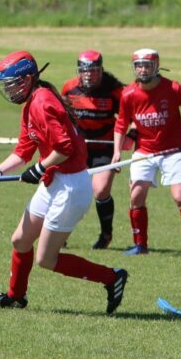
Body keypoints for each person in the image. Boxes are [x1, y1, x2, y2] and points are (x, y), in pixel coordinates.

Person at [0, 51, 127, 314]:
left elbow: (65, 148)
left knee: (47, 259)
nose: (9, 90)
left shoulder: (43, 102)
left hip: (70, 187)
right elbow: (22, 151)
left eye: (12, 84)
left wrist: (39, 167)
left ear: (28, 79)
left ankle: (112, 277)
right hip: (52, 182)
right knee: (21, 240)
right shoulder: (30, 105)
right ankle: (16, 296)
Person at [112, 48, 181, 260]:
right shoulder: (129, 94)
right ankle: (140, 245)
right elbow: (121, 125)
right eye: (138, 65)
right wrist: (116, 153)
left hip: (174, 151)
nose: (142, 69)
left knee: (180, 196)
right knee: (136, 196)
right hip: (145, 151)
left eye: (147, 65)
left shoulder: (173, 88)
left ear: (156, 66)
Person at [61, 50, 125, 250]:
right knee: (69, 191)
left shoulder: (114, 91)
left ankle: (106, 234)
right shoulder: (69, 89)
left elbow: (127, 117)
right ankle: (60, 234)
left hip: (105, 148)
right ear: (79, 71)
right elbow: (63, 118)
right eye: (85, 71)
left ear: (101, 70)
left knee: (100, 190)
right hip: (79, 148)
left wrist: (129, 138)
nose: (89, 75)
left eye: (94, 71)